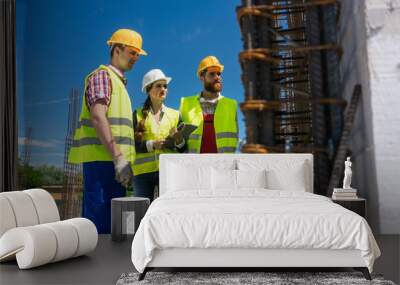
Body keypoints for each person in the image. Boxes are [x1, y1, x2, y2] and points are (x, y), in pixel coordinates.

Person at [68, 29, 147, 233]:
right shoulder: (103, 76)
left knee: (115, 226)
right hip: (102, 164)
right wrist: (119, 158)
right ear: (117, 49)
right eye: (132, 52)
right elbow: (98, 116)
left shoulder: (119, 85)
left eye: (138, 54)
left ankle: (111, 264)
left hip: (115, 167)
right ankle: (97, 265)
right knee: (100, 224)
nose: (136, 58)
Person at [132, 69, 185, 201]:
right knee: (141, 212)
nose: (163, 89)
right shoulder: (137, 114)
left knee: (168, 212)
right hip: (142, 173)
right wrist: (152, 145)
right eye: (159, 85)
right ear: (149, 89)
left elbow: (183, 148)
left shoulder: (175, 114)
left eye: (165, 86)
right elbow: (131, 145)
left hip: (168, 172)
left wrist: (179, 140)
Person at [179, 56, 238, 153]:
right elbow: (180, 141)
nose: (217, 77)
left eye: (219, 74)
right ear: (202, 77)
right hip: (193, 165)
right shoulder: (186, 103)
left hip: (224, 164)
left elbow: (235, 138)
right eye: (212, 74)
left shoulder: (231, 105)